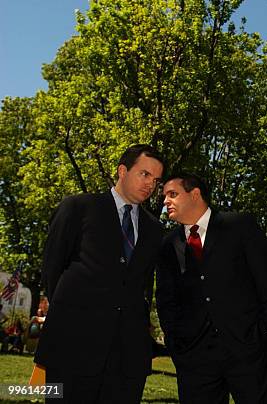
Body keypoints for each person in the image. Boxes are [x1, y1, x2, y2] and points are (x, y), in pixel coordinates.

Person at [34, 144, 164, 403]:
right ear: (122, 171)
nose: (150, 185)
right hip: (72, 347)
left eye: (156, 180)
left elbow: (143, 287)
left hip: (127, 358)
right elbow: (52, 270)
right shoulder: (78, 208)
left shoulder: (154, 229)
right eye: (144, 174)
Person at [156, 173, 267, 404]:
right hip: (194, 358)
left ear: (195, 194)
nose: (165, 201)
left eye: (172, 194)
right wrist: (175, 342)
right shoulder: (167, 245)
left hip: (249, 350)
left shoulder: (239, 225)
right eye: (164, 196)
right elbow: (166, 299)